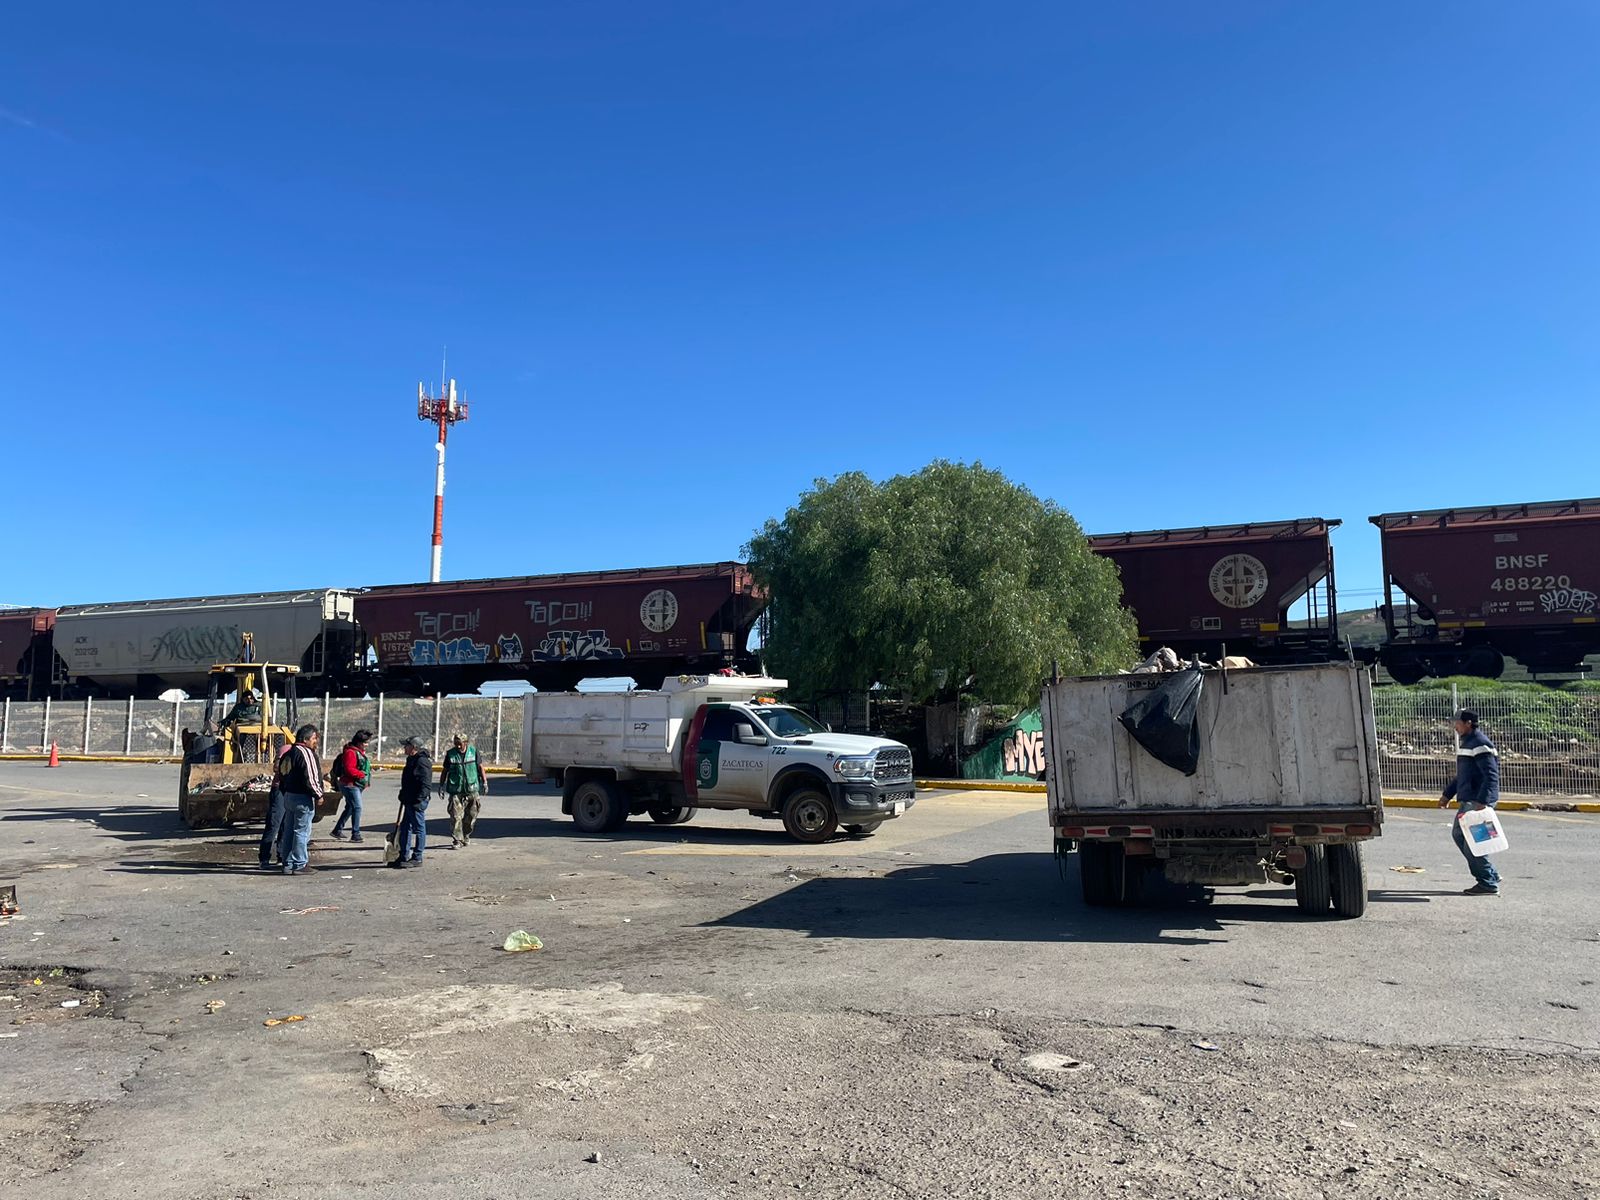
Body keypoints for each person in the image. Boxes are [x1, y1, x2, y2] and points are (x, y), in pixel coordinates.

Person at [1439, 708, 1502, 896]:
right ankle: (1490, 875)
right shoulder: (1469, 743)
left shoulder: (1480, 744)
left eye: (1457, 723)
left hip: (1476, 801)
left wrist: (1483, 801)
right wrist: (1447, 795)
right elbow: (1463, 775)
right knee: (1460, 835)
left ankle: (1487, 882)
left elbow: (1491, 775)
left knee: (1474, 842)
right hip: (1469, 800)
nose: (1455, 727)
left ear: (1468, 723)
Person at [274, 724, 323, 876]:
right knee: (302, 831)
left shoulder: (289, 753)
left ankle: (287, 863)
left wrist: (285, 791)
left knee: (289, 831)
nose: (315, 742)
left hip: (289, 796)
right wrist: (318, 794)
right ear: (306, 739)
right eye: (314, 738)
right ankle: (300, 863)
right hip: (302, 798)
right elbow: (311, 777)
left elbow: (282, 774)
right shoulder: (306, 753)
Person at [441, 732, 488, 847]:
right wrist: (441, 785)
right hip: (456, 789)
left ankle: (466, 835)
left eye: (460, 743)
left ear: (465, 743)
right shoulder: (450, 754)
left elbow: (480, 767)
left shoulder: (473, 751)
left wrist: (485, 783)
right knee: (455, 816)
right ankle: (457, 840)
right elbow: (445, 770)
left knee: (471, 815)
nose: (458, 746)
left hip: (472, 788)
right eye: (456, 743)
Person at [393, 736, 432, 868]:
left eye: (407, 745)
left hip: (416, 801)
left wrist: (419, 799)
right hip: (409, 799)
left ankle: (417, 857)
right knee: (405, 827)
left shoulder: (422, 761)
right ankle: (403, 855)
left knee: (419, 828)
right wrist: (403, 794)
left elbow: (426, 784)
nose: (404, 747)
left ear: (414, 747)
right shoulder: (411, 759)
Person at [330, 729, 375, 843]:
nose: (367, 745)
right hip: (350, 785)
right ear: (359, 742)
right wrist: (361, 775)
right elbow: (349, 769)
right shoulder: (351, 752)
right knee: (357, 807)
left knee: (350, 807)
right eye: (365, 743)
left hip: (356, 784)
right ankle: (356, 834)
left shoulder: (358, 751)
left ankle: (337, 830)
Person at [259, 739, 295, 869]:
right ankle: (264, 857)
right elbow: (276, 767)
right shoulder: (287, 749)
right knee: (274, 823)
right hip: (280, 788)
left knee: (286, 825)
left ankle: (281, 855)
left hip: (292, 790)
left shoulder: (305, 751)